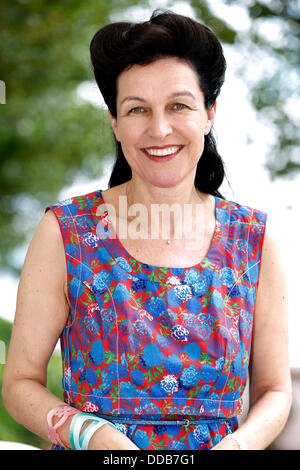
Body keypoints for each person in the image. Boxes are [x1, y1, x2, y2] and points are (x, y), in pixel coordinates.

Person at [2, 10, 292, 451]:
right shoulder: (66, 233)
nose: (159, 129)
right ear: (116, 123)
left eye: (179, 105)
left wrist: (239, 446)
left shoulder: (255, 239)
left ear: (210, 112)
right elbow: (20, 382)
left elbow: (275, 390)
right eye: (137, 109)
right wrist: (92, 434)